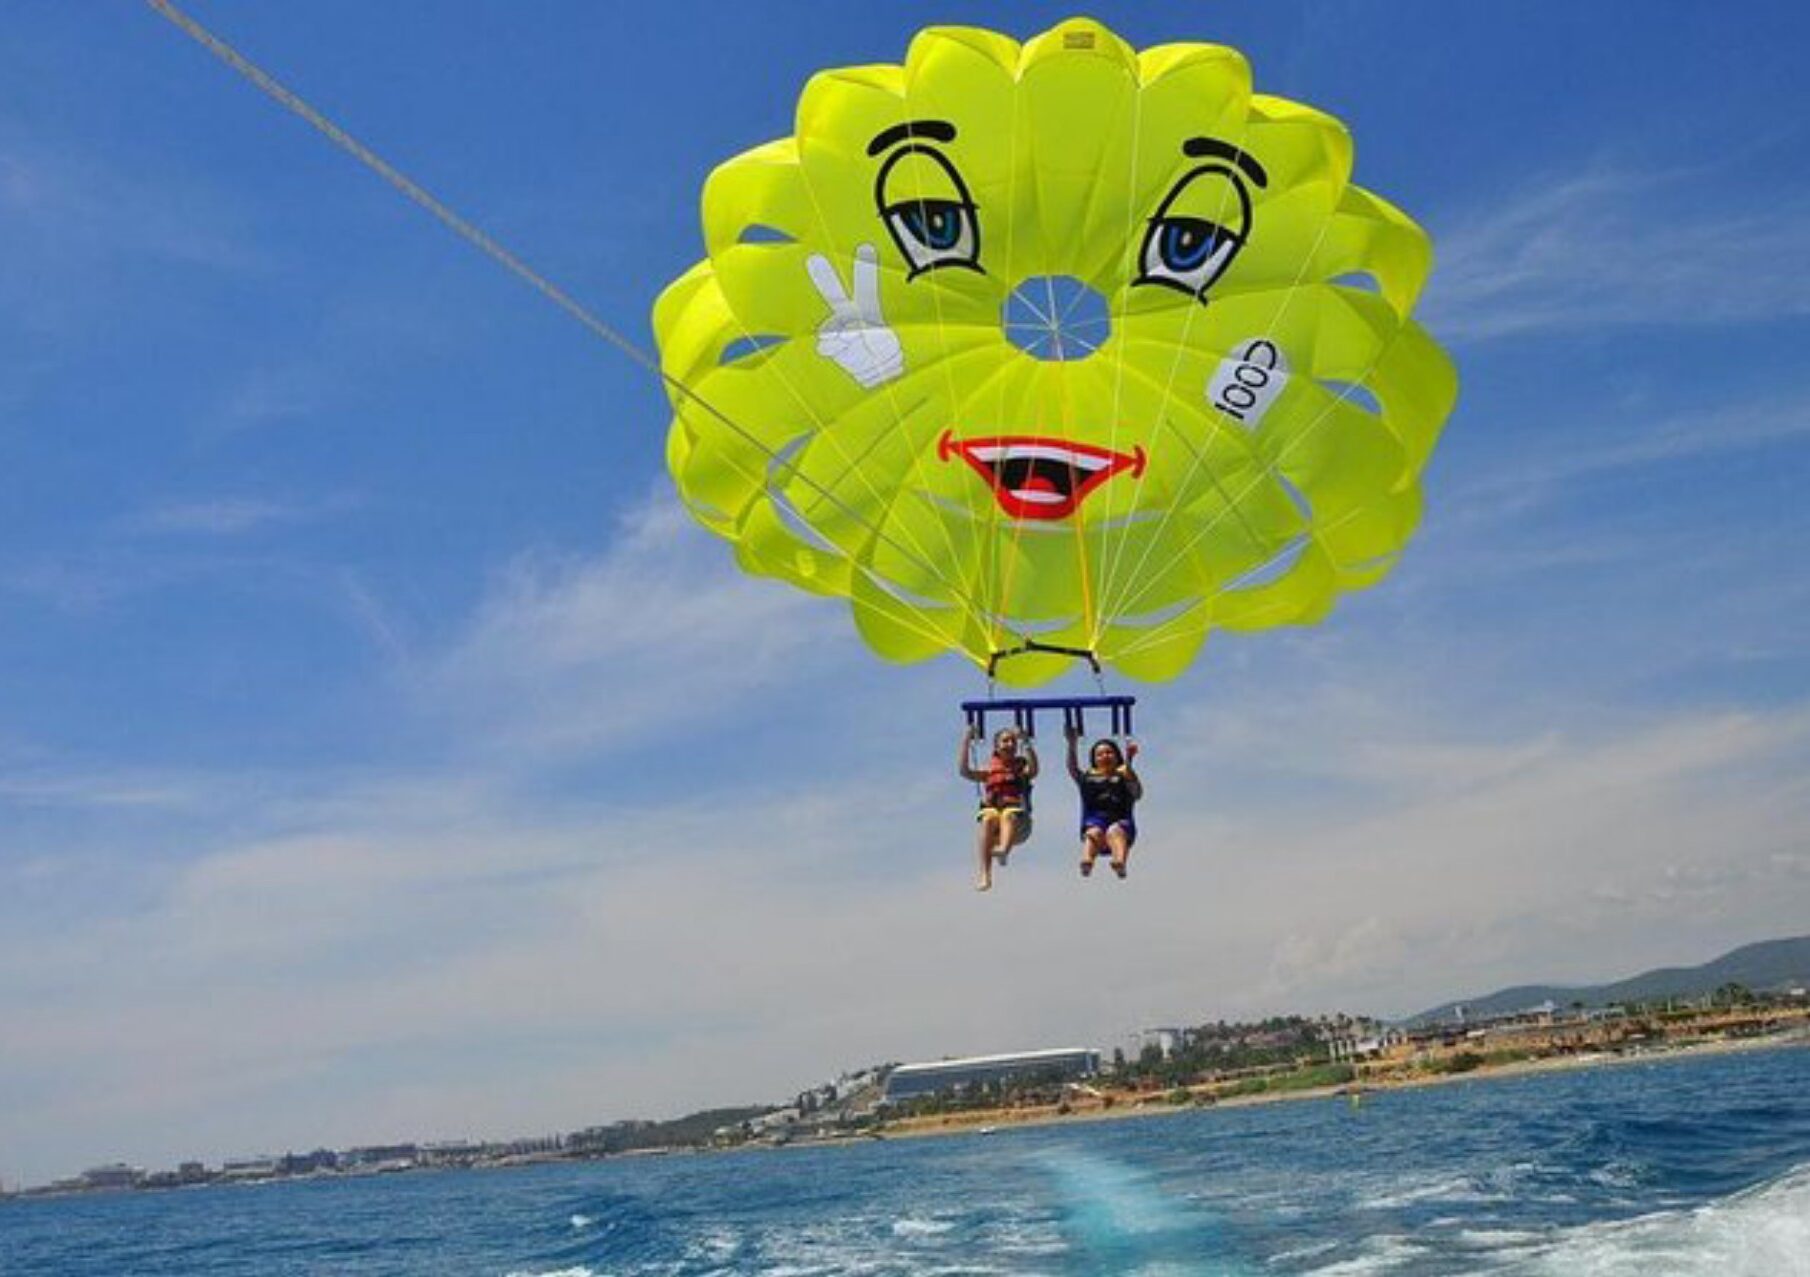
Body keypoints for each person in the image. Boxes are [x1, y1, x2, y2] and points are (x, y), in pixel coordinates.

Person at [959, 725, 1038, 892]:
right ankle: (985, 874)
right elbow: (964, 771)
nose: (1010, 744)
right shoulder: (989, 770)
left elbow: (1034, 770)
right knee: (988, 818)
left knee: (1008, 815)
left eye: (1013, 741)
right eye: (1005, 741)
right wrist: (966, 740)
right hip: (995, 826)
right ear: (996, 746)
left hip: (1019, 825)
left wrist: (1026, 742)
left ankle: (1003, 849)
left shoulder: (1020, 769)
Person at [1065, 725, 1142, 879]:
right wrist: (1072, 743)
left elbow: (1137, 793)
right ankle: (1087, 861)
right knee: (1094, 832)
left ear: (1117, 756)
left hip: (1121, 823)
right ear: (1094, 760)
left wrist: (1129, 762)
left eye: (1109, 752)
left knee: (1114, 831)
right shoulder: (1087, 778)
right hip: (1095, 821)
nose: (1105, 756)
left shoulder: (1124, 776)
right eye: (1099, 754)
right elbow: (1073, 768)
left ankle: (1120, 862)